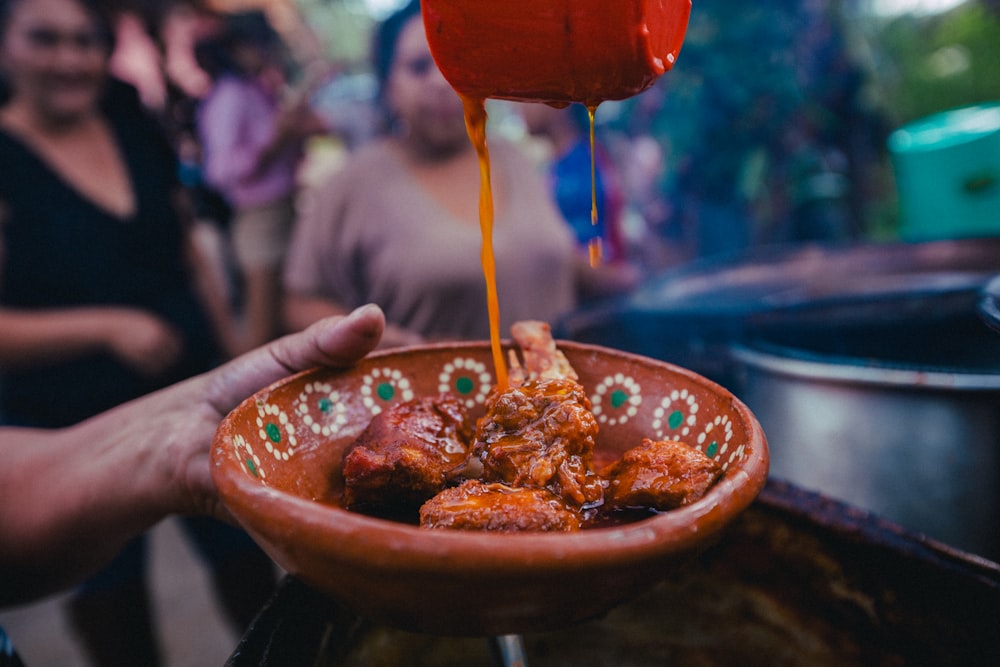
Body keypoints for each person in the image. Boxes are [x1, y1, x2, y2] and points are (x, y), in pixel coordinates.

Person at [0, 0, 262, 663]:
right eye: (45, 39)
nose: (70, 59)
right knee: (114, 608)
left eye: (85, 41)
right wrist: (104, 327)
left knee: (249, 566)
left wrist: (231, 342)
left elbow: (187, 246)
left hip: (193, 386)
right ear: (5, 47)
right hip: (70, 427)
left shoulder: (129, 117)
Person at [0, 305, 386, 664]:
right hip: (60, 400)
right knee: (114, 596)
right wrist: (107, 326)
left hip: (186, 377)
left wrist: (187, 422)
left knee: (243, 563)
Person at [283, 0, 578, 347]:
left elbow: (536, 255)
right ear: (388, 86)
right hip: (433, 396)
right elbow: (299, 304)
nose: (442, 81)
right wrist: (388, 342)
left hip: (554, 388)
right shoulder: (352, 184)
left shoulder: (513, 158)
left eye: (456, 62)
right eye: (420, 66)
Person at [197, 10, 326, 353]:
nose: (266, 52)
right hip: (259, 218)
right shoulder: (229, 95)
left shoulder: (257, 89)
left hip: (282, 211)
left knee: (280, 324)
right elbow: (219, 170)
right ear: (237, 48)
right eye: (259, 45)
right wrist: (272, 142)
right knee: (259, 332)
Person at [521, 102, 641, 301]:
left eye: (528, 96)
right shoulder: (568, 163)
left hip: (594, 309)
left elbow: (591, 264)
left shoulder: (577, 172)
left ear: (559, 101)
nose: (520, 106)